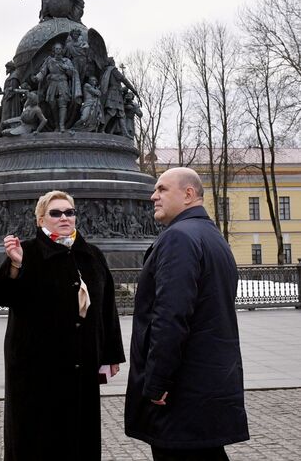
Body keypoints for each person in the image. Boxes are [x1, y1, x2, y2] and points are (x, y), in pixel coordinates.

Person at [0, 190, 125, 461]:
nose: (64, 217)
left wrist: (110, 355)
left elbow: (107, 307)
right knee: (39, 439)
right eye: (56, 213)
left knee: (79, 437)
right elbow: (0, 296)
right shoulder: (26, 251)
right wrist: (15, 266)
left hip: (82, 365)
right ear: (41, 219)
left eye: (69, 212)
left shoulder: (92, 255)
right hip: (36, 368)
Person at [124, 167, 249, 461]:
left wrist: (157, 381)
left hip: (181, 390)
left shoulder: (178, 238)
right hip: (207, 382)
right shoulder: (211, 236)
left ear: (189, 194)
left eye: (162, 189)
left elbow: (171, 316)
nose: (153, 196)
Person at [34, 42, 82, 132]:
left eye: (60, 49)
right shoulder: (49, 60)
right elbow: (43, 71)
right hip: (52, 84)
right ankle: (56, 123)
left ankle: (62, 125)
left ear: (62, 50)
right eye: (56, 49)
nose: (58, 51)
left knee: (62, 103)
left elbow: (72, 73)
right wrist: (37, 77)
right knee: (52, 103)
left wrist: (65, 67)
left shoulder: (66, 61)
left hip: (63, 83)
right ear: (54, 50)